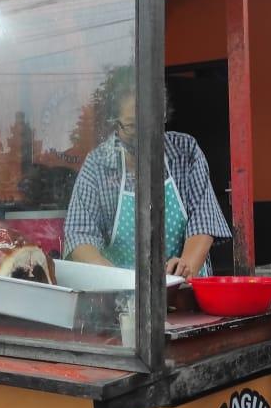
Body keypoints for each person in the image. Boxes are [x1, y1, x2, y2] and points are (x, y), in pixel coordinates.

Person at [63, 85, 230, 277]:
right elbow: (80, 234)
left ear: (163, 116)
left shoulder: (186, 151)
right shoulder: (97, 164)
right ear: (115, 123)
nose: (143, 134)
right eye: (132, 125)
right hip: (120, 288)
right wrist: (113, 277)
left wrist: (183, 270)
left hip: (184, 285)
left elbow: (204, 222)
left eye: (152, 122)